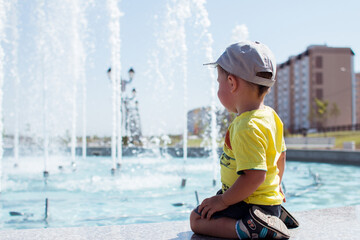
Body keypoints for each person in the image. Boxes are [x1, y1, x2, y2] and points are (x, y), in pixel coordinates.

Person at [190, 41, 298, 239]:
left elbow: (254, 176)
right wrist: (276, 186)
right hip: (267, 200)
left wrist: (222, 201)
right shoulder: (271, 116)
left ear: (232, 83)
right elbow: (280, 156)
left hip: (248, 203)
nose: (217, 89)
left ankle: (247, 228)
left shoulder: (244, 126)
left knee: (197, 218)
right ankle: (271, 214)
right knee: (216, 197)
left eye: (218, 82)